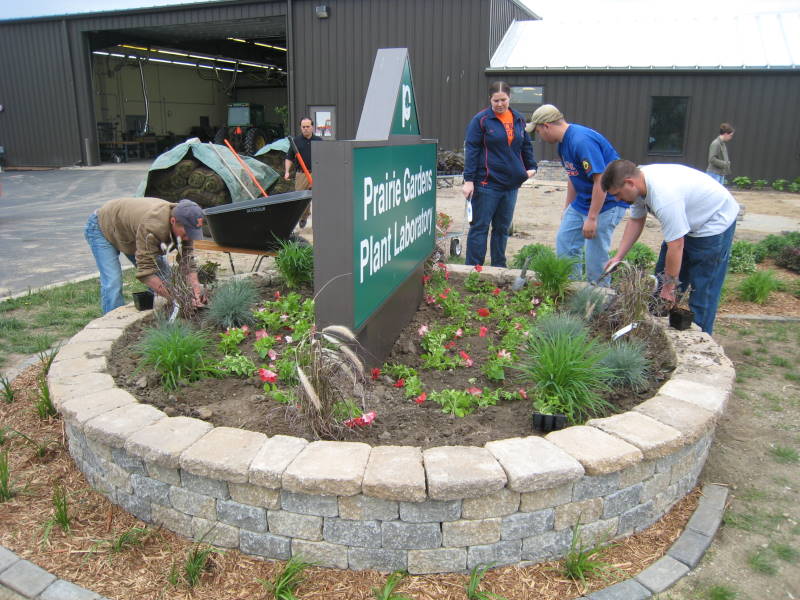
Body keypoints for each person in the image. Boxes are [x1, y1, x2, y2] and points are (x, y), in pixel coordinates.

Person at [601, 160, 740, 334]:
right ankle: (656, 335)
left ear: (629, 183)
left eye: (618, 194)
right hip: (687, 221)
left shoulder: (664, 196)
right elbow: (636, 220)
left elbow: (676, 245)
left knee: (702, 291)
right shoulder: (638, 185)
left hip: (714, 222)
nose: (617, 199)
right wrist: (618, 256)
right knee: (660, 287)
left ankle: (701, 346)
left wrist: (670, 287)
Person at [526, 104, 627, 286]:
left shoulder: (581, 141)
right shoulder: (563, 145)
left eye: (539, 131)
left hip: (608, 201)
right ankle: (572, 289)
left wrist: (592, 218)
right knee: (565, 242)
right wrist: (568, 208)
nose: (539, 136)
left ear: (547, 126)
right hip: (583, 201)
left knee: (595, 256)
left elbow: (601, 180)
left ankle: (599, 299)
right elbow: (573, 177)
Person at [84, 197, 206, 314]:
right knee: (113, 282)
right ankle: (111, 323)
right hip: (102, 226)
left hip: (131, 232)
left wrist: (195, 290)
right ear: (173, 221)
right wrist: (178, 298)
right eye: (186, 234)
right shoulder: (153, 226)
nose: (189, 237)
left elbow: (187, 262)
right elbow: (146, 273)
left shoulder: (186, 222)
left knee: (166, 279)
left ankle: (164, 313)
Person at [462, 82, 537, 267]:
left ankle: (498, 267)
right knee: (480, 227)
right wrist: (469, 180)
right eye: (496, 100)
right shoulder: (481, 120)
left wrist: (532, 166)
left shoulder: (518, 119)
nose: (500, 104)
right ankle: (474, 268)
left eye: (503, 100)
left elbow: (525, 145)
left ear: (509, 98)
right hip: (487, 183)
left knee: (502, 229)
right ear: (491, 99)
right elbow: (471, 149)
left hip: (510, 185)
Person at [284, 117, 321, 228]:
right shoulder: (296, 141)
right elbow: (289, 157)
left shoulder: (319, 141)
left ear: (312, 127)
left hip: (316, 173)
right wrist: (287, 171)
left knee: (320, 197)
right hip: (301, 174)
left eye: (308, 126)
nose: (305, 129)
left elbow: (325, 157)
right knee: (301, 198)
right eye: (303, 127)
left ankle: (321, 219)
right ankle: (303, 217)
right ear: (301, 127)